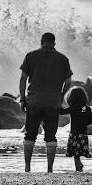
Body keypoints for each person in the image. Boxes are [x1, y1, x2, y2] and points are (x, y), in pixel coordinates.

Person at [19, 32, 72, 173]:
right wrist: (61, 94)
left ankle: (27, 167)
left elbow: (23, 79)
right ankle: (49, 168)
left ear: (41, 41)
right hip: (53, 102)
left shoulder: (30, 56)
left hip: (34, 101)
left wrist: (23, 99)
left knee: (30, 134)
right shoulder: (63, 59)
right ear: (54, 43)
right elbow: (68, 82)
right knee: (50, 135)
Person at [60, 86, 92, 172]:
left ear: (70, 97)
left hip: (74, 133)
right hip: (83, 133)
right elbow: (90, 121)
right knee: (80, 150)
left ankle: (78, 167)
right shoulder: (87, 109)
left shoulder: (72, 108)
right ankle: (80, 165)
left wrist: (58, 102)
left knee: (75, 152)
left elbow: (62, 112)